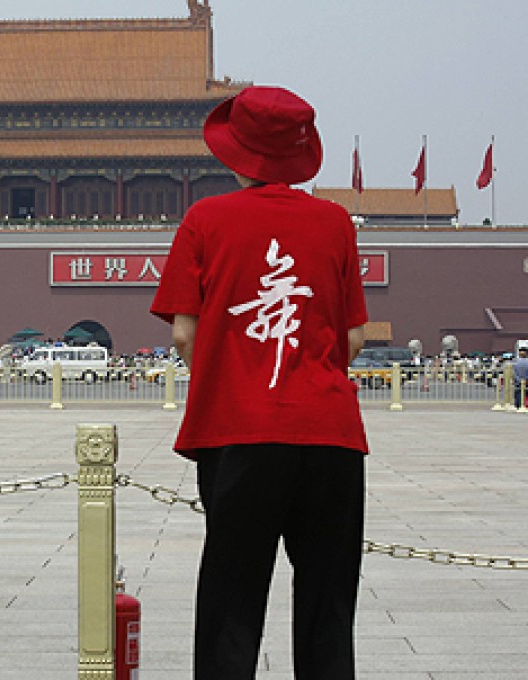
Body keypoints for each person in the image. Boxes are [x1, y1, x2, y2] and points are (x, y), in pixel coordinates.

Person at [150, 85, 369, 679]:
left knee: (232, 598)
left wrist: (231, 377)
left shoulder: (205, 220)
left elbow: (182, 335)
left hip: (240, 432)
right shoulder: (334, 223)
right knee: (328, 605)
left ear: (235, 152)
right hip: (331, 438)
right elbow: (351, 339)